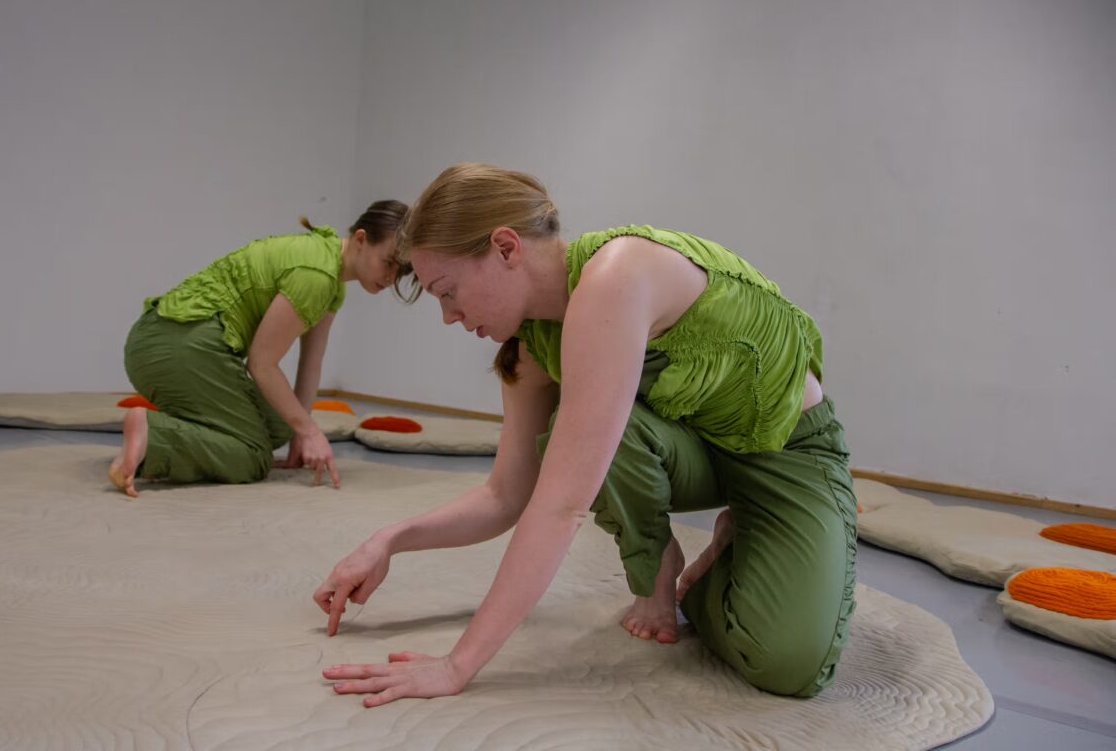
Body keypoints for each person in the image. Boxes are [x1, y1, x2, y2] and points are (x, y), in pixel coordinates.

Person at [314, 164, 856, 706]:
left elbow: (561, 507)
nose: (448, 316)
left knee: (789, 665)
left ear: (505, 248)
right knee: (579, 436)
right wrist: (389, 540)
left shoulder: (616, 277)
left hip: (786, 449)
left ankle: (736, 548)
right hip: (695, 449)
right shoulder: (531, 345)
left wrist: (457, 667)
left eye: (447, 291)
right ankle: (664, 567)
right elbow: (505, 496)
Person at [108, 201, 416, 497]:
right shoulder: (317, 276)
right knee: (252, 457)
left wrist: (300, 433)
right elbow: (261, 364)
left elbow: (312, 361)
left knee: (281, 423)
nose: (391, 278)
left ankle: (175, 432)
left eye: (400, 271)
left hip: (172, 341)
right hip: (177, 345)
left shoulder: (332, 279)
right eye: (388, 263)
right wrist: (310, 432)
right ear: (361, 239)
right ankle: (153, 434)